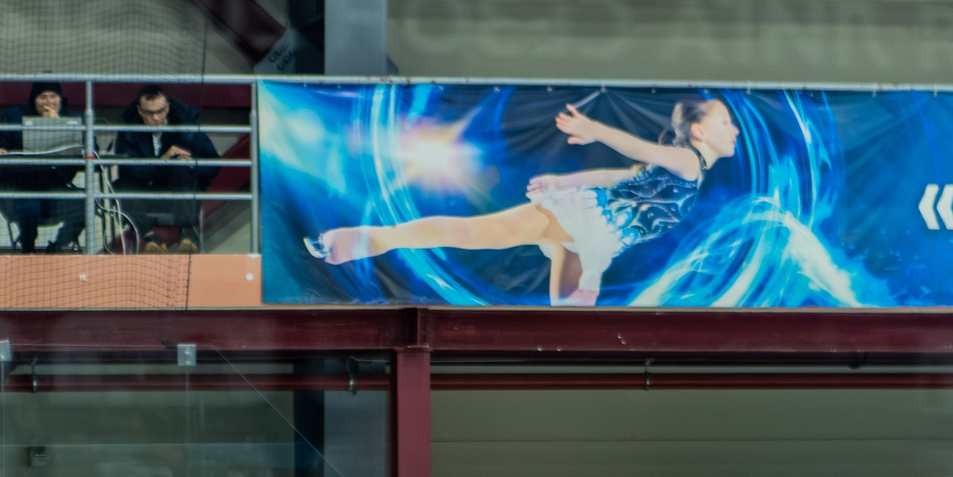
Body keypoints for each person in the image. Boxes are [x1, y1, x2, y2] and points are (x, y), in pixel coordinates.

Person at [307, 95, 738, 306]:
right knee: (474, 233)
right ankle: (366, 239)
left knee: (570, 320)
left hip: (599, 244)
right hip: (585, 222)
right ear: (698, 132)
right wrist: (597, 132)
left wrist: (560, 179)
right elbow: (639, 152)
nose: (734, 129)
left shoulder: (685, 174)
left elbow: (619, 174)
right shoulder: (685, 159)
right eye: (725, 121)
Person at [114, 85, 217, 252]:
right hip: (145, 195)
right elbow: (129, 171)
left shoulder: (187, 125)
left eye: (160, 111)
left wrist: (192, 164)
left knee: (181, 169)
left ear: (168, 107)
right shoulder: (128, 131)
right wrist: (162, 161)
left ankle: (188, 235)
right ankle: (150, 240)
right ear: (140, 111)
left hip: (178, 192)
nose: (155, 117)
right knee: (120, 186)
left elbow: (213, 166)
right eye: (149, 113)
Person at [0, 81, 84, 252]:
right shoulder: (13, 117)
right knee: (29, 205)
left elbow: (90, 149)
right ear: (34, 99)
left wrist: (59, 125)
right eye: (42, 97)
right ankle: (27, 248)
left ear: (60, 99)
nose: (48, 102)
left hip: (57, 188)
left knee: (85, 203)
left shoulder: (73, 120)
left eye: (53, 97)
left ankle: (59, 246)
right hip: (18, 186)